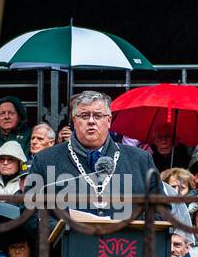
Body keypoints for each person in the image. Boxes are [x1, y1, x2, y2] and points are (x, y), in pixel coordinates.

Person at [28, 91, 161, 212]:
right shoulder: (44, 160)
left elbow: (161, 210)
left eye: (98, 116)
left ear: (109, 121)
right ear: (74, 121)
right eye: (84, 116)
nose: (91, 121)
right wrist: (64, 232)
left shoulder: (141, 160)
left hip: (126, 238)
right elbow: (31, 211)